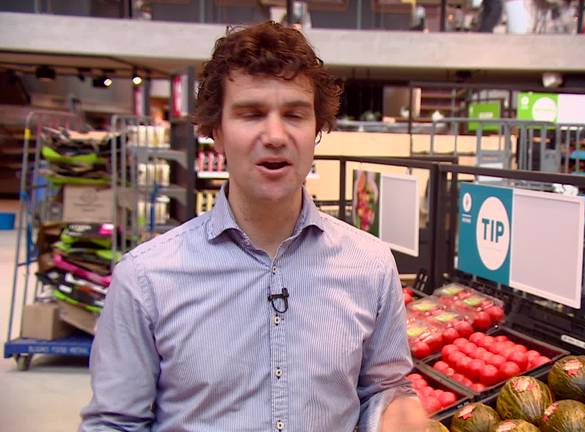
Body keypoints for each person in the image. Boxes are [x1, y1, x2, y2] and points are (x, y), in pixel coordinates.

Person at [80, 21, 427, 432]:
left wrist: (394, 407)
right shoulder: (146, 279)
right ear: (216, 133)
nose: (276, 135)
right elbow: (115, 423)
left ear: (317, 129)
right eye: (251, 113)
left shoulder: (369, 266)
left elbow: (382, 387)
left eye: (295, 114)